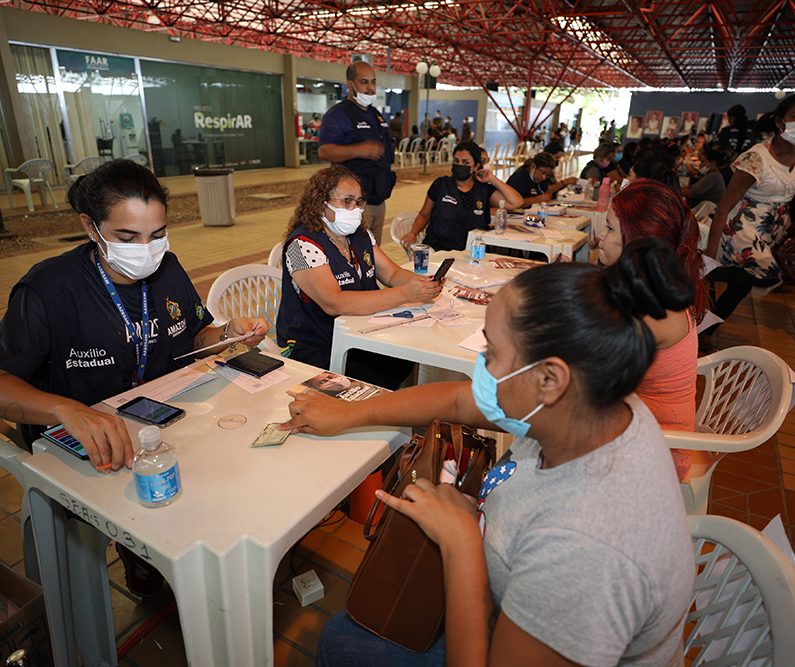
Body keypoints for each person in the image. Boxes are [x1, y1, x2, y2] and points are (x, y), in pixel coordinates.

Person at [285, 239, 695, 667]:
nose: (481, 362)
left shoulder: (587, 545)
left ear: (550, 379)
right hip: (507, 598)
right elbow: (457, 401)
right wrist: (351, 412)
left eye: (493, 352)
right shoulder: (591, 404)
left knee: (341, 642)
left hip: (498, 622)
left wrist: (461, 541)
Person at [0, 159, 269, 596]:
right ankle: (148, 563)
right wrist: (68, 410)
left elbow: (193, 337)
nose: (146, 250)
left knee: (229, 479)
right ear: (90, 227)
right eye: (128, 238)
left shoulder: (167, 269)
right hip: (86, 439)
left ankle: (167, 564)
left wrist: (228, 334)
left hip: (161, 419)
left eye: (158, 234)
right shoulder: (50, 290)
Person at [277, 165, 443, 388]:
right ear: (320, 204)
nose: (355, 209)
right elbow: (334, 303)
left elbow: (392, 273)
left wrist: (422, 283)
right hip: (318, 347)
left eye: (358, 202)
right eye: (347, 201)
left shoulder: (360, 235)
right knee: (373, 378)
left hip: (362, 334)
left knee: (404, 361)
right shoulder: (302, 245)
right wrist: (405, 294)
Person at [596, 180, 709, 481]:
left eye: (609, 228)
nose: (600, 236)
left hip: (656, 452)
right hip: (636, 425)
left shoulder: (652, 309)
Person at [703, 94, 795, 342]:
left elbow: (789, 185)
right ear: (780, 122)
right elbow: (724, 206)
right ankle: (705, 272)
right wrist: (709, 256)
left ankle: (702, 334)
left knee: (740, 287)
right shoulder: (756, 158)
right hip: (742, 226)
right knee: (769, 274)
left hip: (773, 228)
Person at [317, 61, 396, 243]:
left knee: (372, 252)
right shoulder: (339, 114)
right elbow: (324, 151)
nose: (370, 87)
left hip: (378, 200)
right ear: (350, 85)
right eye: (364, 82)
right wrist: (359, 150)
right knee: (353, 251)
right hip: (353, 204)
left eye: (373, 82)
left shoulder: (376, 114)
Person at [400, 141, 522, 251]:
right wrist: (413, 232)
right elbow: (424, 214)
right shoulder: (441, 184)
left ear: (476, 166)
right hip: (437, 250)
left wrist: (492, 179)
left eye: (466, 162)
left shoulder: (483, 190)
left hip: (471, 253)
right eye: (456, 161)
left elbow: (516, 203)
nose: (459, 165)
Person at [506, 152, 575, 208]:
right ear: (533, 166)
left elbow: (548, 191)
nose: (544, 177)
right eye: (543, 172)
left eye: (546, 175)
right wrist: (535, 200)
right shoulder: (519, 178)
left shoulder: (538, 177)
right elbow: (512, 203)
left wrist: (546, 197)